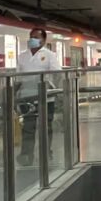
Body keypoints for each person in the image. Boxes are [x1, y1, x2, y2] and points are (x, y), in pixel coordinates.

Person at [15, 29, 61, 166]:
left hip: (46, 98)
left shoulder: (50, 55)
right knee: (28, 127)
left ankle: (46, 153)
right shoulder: (22, 56)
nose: (32, 39)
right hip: (27, 97)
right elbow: (18, 78)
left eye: (36, 37)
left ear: (44, 40)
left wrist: (54, 89)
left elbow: (57, 74)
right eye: (31, 37)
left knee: (46, 127)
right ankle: (26, 155)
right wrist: (14, 94)